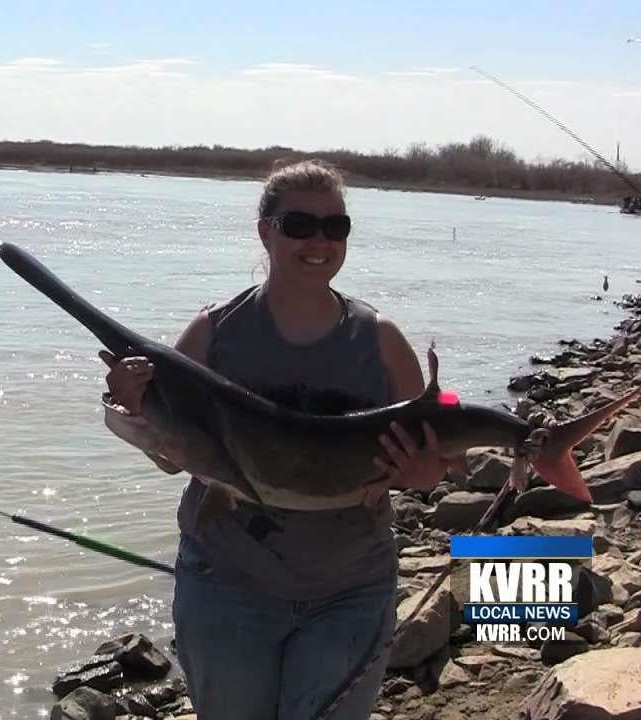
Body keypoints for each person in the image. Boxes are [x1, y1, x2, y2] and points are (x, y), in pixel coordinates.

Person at [101, 159, 446, 720]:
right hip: (227, 584)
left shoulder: (379, 339)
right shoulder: (214, 331)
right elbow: (171, 461)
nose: (319, 241)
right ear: (265, 230)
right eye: (299, 225)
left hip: (350, 589)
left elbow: (436, 463)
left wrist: (423, 473)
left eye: (336, 228)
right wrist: (133, 404)